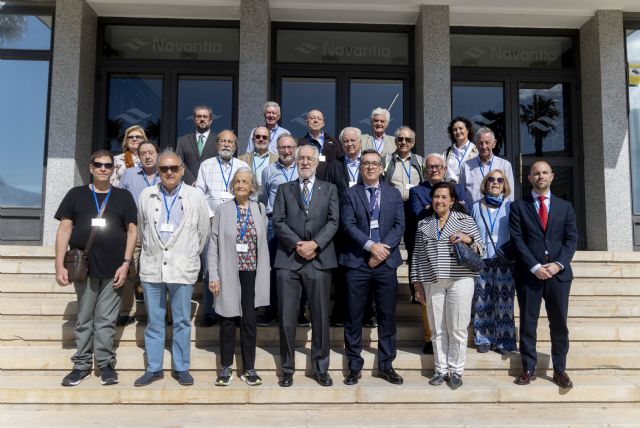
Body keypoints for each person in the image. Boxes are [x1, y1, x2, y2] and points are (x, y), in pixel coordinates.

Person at [54, 150, 137, 387]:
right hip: (83, 267)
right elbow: (64, 230)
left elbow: (132, 232)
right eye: (98, 165)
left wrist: (126, 263)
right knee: (84, 318)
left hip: (114, 269)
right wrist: (59, 264)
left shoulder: (123, 197)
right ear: (90, 168)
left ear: (113, 169)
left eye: (107, 165)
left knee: (106, 319)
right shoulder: (75, 195)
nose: (103, 169)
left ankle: (105, 364)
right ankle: (80, 365)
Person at [134, 149, 210, 387]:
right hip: (153, 268)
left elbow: (203, 234)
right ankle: (154, 368)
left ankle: (181, 367)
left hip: (182, 268)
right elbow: (142, 230)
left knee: (181, 321)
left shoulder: (196, 196)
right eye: (164, 168)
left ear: (182, 170)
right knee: (155, 322)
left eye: (173, 168)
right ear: (158, 170)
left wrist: (187, 255)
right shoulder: (147, 195)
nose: (169, 172)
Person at [272, 144, 339, 388]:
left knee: (320, 317)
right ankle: (287, 368)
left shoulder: (329, 189)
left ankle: (321, 368)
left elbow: (334, 222)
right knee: (287, 318)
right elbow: (277, 221)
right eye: (301, 158)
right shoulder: (284, 189)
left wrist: (315, 245)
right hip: (289, 260)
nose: (305, 162)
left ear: (317, 162)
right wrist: (297, 245)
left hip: (319, 261)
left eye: (310, 158)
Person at [340, 149, 405, 386]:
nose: (370, 167)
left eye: (374, 163)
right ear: (360, 167)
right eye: (365, 163)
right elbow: (347, 225)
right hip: (357, 262)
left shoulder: (393, 193)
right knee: (354, 316)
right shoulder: (349, 193)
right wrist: (370, 247)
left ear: (381, 167)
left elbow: (399, 225)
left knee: (387, 316)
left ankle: (387, 364)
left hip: (385, 263)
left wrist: (382, 249)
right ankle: (354, 365)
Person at [510, 161, 577, 389]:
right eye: (536, 173)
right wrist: (535, 266)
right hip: (530, 275)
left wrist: (558, 265)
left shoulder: (565, 206)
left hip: (558, 276)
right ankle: (528, 368)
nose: (540, 176)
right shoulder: (518, 206)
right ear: (529, 178)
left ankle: (560, 370)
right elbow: (517, 240)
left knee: (559, 323)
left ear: (552, 176)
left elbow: (571, 240)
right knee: (528, 323)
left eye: (545, 172)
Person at [411, 181, 484, 390]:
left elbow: (482, 249)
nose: (439, 201)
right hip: (432, 281)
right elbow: (416, 257)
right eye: (436, 197)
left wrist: (467, 238)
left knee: (458, 328)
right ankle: (440, 369)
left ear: (452, 201)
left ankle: (456, 370)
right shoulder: (423, 225)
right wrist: (417, 285)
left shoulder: (465, 220)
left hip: (460, 280)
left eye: (444, 197)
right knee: (437, 329)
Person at [208, 168, 270, 386]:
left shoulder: (260, 208)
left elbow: (261, 243)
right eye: (237, 181)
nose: (241, 185)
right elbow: (213, 244)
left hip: (252, 272)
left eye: (245, 181)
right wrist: (213, 275)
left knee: (249, 321)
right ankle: (225, 368)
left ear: (252, 186)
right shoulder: (223, 210)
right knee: (226, 320)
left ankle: (249, 369)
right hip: (227, 271)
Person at [408, 153, 471, 355]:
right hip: (428, 253)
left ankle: (452, 342)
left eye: (438, 167)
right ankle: (429, 338)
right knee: (429, 300)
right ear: (425, 170)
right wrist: (449, 207)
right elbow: (419, 214)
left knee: (454, 305)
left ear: (444, 169)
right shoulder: (417, 190)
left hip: (455, 258)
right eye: (430, 167)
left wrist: (434, 208)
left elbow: (467, 211)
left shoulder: (458, 187)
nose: (434, 170)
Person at [196, 130, 249, 326]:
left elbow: (249, 194)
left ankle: (234, 311)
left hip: (238, 224)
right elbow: (199, 193)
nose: (226, 145)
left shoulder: (242, 166)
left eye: (230, 142)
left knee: (235, 267)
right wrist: (210, 216)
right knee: (212, 268)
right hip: (212, 223)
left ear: (236, 146)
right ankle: (210, 312)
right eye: (223, 141)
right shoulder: (206, 165)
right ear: (217, 144)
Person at [325, 127, 375, 328]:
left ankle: (367, 314)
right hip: (342, 228)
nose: (350, 144)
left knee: (367, 270)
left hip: (366, 226)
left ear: (360, 143)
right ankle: (339, 314)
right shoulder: (334, 166)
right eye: (346, 141)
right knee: (343, 273)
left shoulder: (369, 164)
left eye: (353, 141)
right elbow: (329, 193)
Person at [470, 169, 516, 355]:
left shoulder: (511, 206)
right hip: (481, 259)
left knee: (505, 301)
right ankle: (483, 338)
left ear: (504, 184)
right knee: (481, 300)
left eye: (499, 180)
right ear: (485, 184)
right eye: (491, 180)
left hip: (504, 259)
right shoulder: (475, 206)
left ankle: (505, 341)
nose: (495, 182)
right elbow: (471, 232)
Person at [382, 126, 424, 324]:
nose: (404, 142)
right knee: (389, 246)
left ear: (413, 143)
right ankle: (386, 289)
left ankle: (414, 290)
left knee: (414, 249)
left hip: (413, 208)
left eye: (408, 139)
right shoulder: (387, 160)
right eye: (400, 139)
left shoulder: (420, 161)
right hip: (392, 207)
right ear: (395, 141)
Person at [257, 134, 299, 327]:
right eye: (282, 147)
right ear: (277, 149)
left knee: (300, 268)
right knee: (273, 268)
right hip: (274, 224)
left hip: (299, 224)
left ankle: (298, 313)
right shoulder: (268, 171)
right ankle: (271, 310)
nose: (287, 151)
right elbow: (265, 196)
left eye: (290, 147)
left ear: (296, 148)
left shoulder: (303, 168)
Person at [117, 140, 160, 326]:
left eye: (151, 152)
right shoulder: (129, 173)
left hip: (157, 233)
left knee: (155, 274)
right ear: (138, 156)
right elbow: (118, 199)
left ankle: (156, 314)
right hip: (133, 230)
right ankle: (126, 311)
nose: (148, 156)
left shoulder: (165, 174)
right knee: (129, 270)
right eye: (143, 153)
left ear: (157, 154)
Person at [460, 127, 515, 203]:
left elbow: (509, 194)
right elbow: (461, 193)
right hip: (472, 212)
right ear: (476, 144)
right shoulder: (466, 166)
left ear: (494, 143)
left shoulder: (505, 165)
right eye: (480, 143)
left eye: (487, 142)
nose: (484, 146)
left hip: (498, 213)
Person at [176, 105, 218, 185]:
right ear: (194, 120)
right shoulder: (183, 140)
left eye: (205, 117)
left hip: (211, 186)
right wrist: (191, 181)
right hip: (188, 186)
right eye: (199, 116)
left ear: (210, 120)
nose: (202, 119)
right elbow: (179, 162)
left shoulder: (218, 141)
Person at [298, 109, 342, 179]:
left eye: (319, 119)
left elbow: (340, 161)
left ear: (323, 123)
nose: (316, 121)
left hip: (331, 182)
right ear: (306, 122)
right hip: (309, 181)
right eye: (312, 118)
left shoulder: (333, 141)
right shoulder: (301, 143)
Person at [444, 116, 478, 183]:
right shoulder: (447, 152)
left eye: (460, 128)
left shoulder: (476, 150)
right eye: (455, 129)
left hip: (469, 190)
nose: (458, 131)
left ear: (467, 130)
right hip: (451, 190)